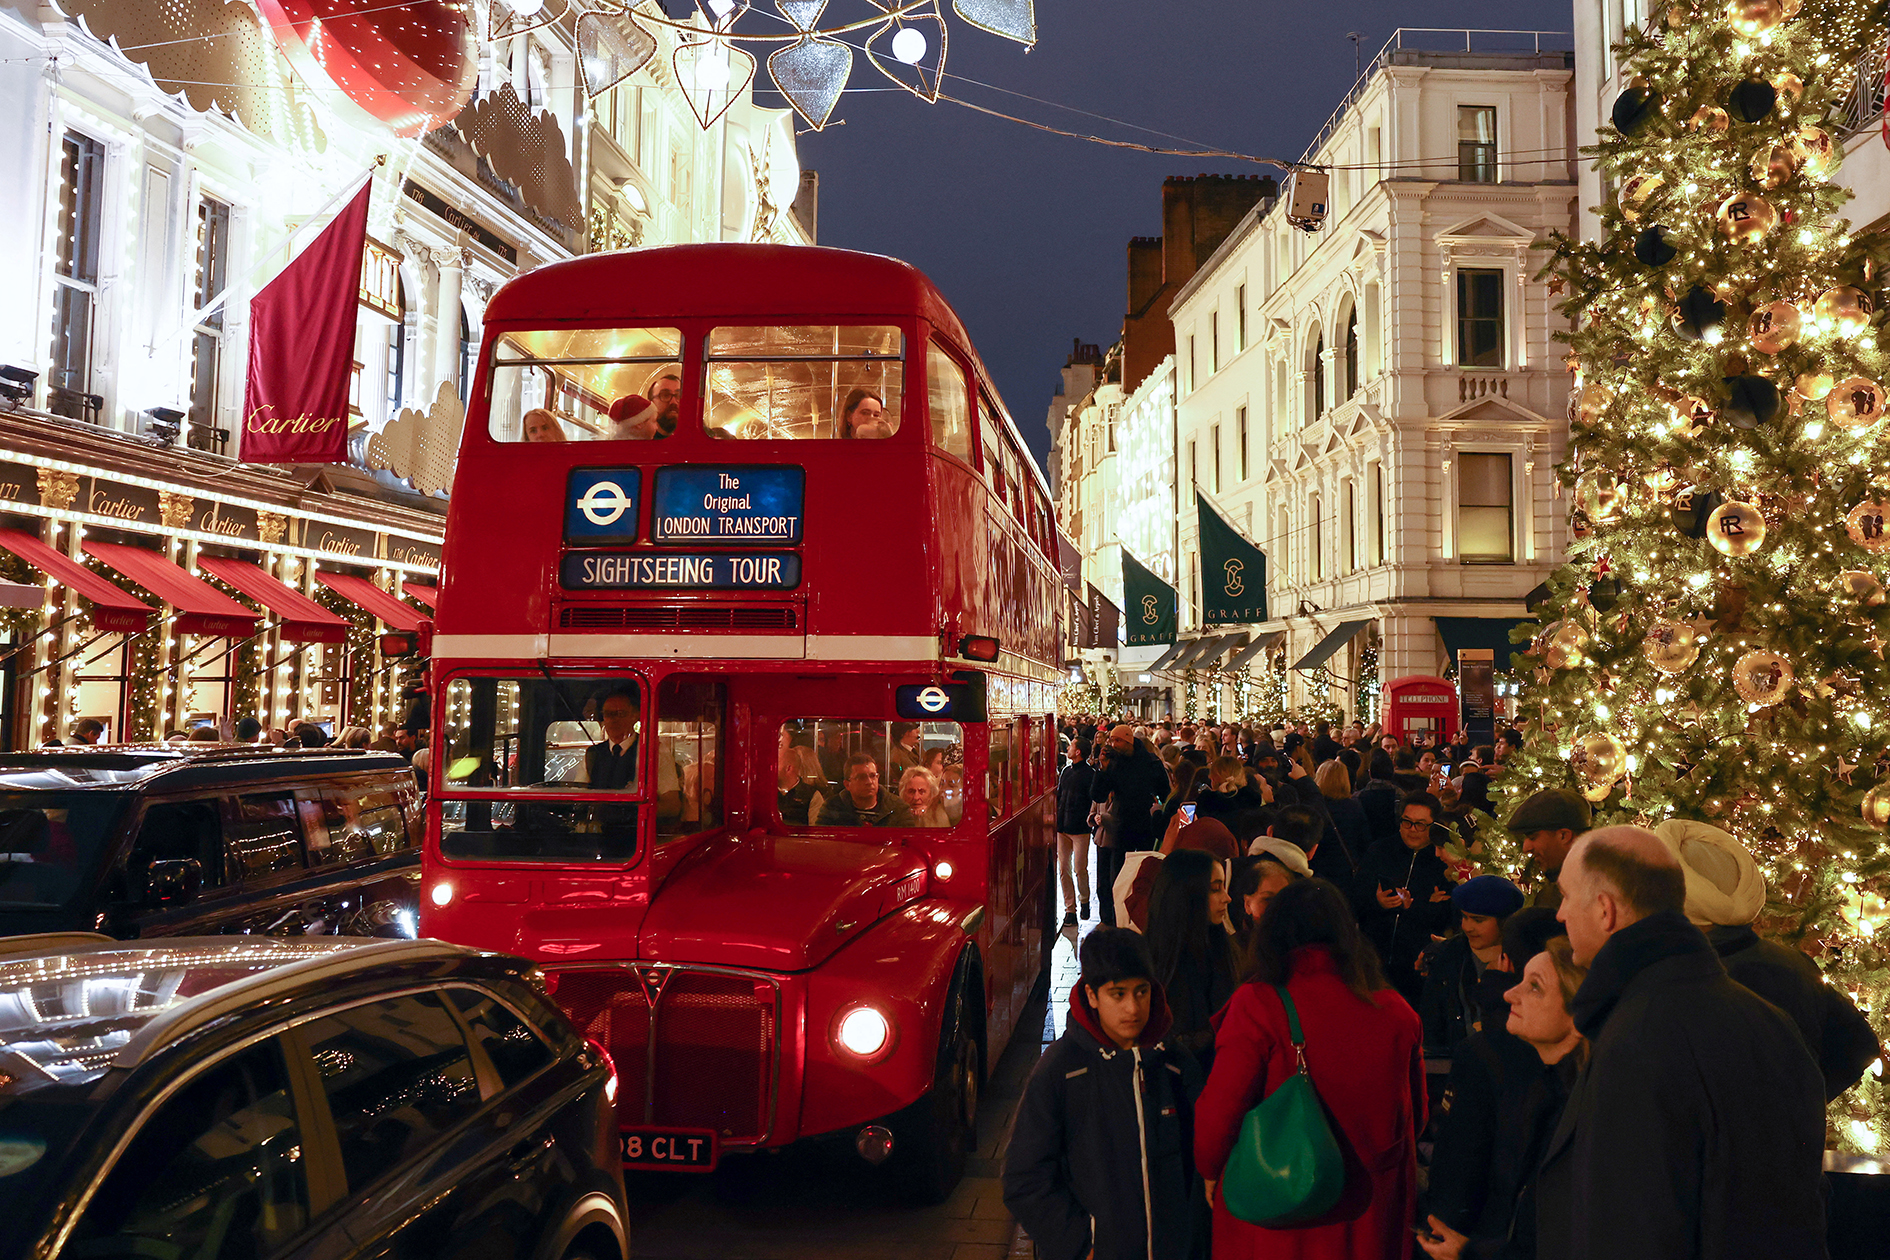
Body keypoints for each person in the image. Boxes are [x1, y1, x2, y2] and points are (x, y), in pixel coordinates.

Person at [1536, 826, 1827, 1260]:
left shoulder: (1640, 1036)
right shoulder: (1766, 1018)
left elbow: (1633, 1227)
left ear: (1604, 910)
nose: (1559, 914)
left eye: (1565, 896)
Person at [1196, 878, 1426, 1259]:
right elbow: (1415, 1117)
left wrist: (1210, 1167)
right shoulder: (1398, 1013)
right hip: (1368, 1212)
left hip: (1282, 1205)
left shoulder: (1257, 1005)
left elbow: (1222, 1107)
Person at [1003, 927, 1202, 1260]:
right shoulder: (1061, 1071)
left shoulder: (1175, 1066)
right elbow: (1024, 1177)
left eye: (1141, 992)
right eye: (1118, 994)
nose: (1132, 1009)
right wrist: (1081, 1246)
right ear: (1092, 995)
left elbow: (1202, 1164)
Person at [1655, 818, 1882, 1100]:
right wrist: (1805, 1106)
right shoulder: (1793, 962)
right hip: (1793, 1141)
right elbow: (1859, 1046)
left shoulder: (1693, 981)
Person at [1419, 936, 1588, 1260]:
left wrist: (1471, 1252)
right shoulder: (1548, 1087)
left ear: (1579, 1014)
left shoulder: (1579, 1109)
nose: (1509, 992)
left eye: (1534, 987)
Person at [1355, 791, 1458, 1005]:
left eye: (1421, 824)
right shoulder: (1379, 851)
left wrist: (1416, 906)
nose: (1413, 830)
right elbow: (1355, 898)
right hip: (1374, 959)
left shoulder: (1443, 862)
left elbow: (1448, 915)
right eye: (1407, 822)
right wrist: (1378, 902)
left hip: (1417, 965)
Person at [1145, 848, 1239, 1067]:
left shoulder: (1223, 949)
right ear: (1187, 895)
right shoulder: (1152, 962)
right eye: (1216, 888)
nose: (1227, 897)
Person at [1420, 875, 1526, 1053]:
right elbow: (1432, 1021)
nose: (1467, 927)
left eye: (1478, 920)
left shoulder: (1524, 960)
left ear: (1503, 921)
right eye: (1464, 917)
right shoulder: (1449, 955)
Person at [1505, 789, 1590, 909]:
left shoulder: (1600, 889)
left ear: (1564, 835)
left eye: (1533, 837)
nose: (1526, 848)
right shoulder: (1550, 895)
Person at [1056, 738, 1097, 924]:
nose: (1069, 749)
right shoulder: (1066, 771)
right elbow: (1060, 795)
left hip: (1080, 828)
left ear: (1078, 751)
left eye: (1071, 746)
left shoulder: (1090, 774)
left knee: (1080, 868)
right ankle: (1070, 909)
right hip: (1063, 827)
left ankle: (1084, 900)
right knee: (1064, 869)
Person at [815, 753, 916, 826]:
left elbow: (908, 844)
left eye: (873, 776)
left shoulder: (897, 808)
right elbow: (823, 844)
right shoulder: (832, 808)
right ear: (847, 785)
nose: (869, 782)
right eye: (861, 777)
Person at [582, 689, 640, 790]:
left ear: (635, 716)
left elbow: (670, 801)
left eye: (620, 713)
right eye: (608, 714)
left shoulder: (654, 752)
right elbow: (579, 793)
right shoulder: (592, 754)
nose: (613, 720)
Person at [776, 739, 827, 825]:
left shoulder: (812, 795)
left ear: (788, 768)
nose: (771, 769)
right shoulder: (767, 793)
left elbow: (815, 829)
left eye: (776, 764)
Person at [644, 363, 683, 436]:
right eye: (665, 395)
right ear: (652, 403)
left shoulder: (695, 438)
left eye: (678, 396)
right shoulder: (643, 439)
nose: (673, 402)